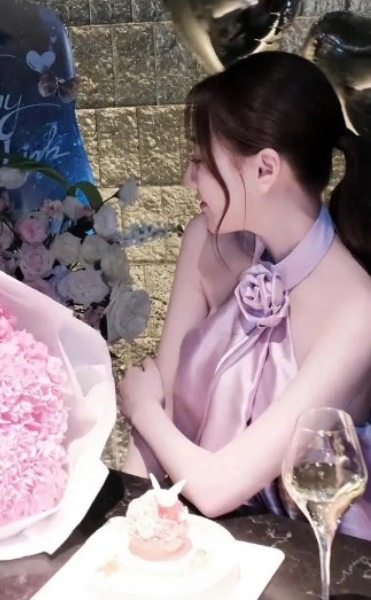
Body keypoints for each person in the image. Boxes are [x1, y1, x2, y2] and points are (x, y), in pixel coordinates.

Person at [117, 51, 371, 540]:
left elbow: (217, 487)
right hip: (193, 534)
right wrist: (129, 529)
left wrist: (139, 407)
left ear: (265, 169)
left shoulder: (356, 309)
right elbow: (160, 421)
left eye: (200, 161)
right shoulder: (204, 241)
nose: (188, 179)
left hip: (311, 551)